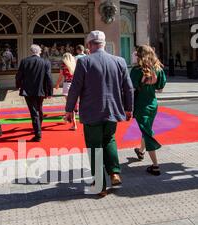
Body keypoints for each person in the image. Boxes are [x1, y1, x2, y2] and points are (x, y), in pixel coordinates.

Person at [65, 30, 134, 197]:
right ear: (103, 44)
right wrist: (129, 108)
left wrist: (69, 109)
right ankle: (114, 173)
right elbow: (129, 88)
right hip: (113, 110)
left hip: (91, 111)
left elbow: (75, 88)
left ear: (89, 45)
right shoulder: (119, 61)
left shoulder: (84, 62)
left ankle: (101, 185)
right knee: (109, 139)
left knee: (94, 146)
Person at [130, 45, 166, 176]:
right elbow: (160, 88)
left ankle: (155, 166)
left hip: (141, 105)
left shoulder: (136, 70)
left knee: (147, 133)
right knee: (147, 129)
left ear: (139, 56)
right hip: (153, 104)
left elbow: (131, 87)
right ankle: (140, 151)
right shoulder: (158, 69)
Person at [15, 44, 53, 142]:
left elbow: (19, 75)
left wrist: (18, 85)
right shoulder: (45, 62)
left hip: (28, 90)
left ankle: (38, 133)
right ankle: (38, 128)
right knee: (39, 109)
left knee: (34, 112)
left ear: (31, 51)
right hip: (41, 90)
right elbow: (49, 78)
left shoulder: (24, 61)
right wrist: (49, 92)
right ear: (39, 51)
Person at [55, 52, 78, 130]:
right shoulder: (75, 64)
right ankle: (67, 118)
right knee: (72, 104)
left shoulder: (63, 65)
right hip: (75, 85)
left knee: (69, 105)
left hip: (67, 85)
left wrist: (57, 84)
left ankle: (73, 122)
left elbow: (61, 76)